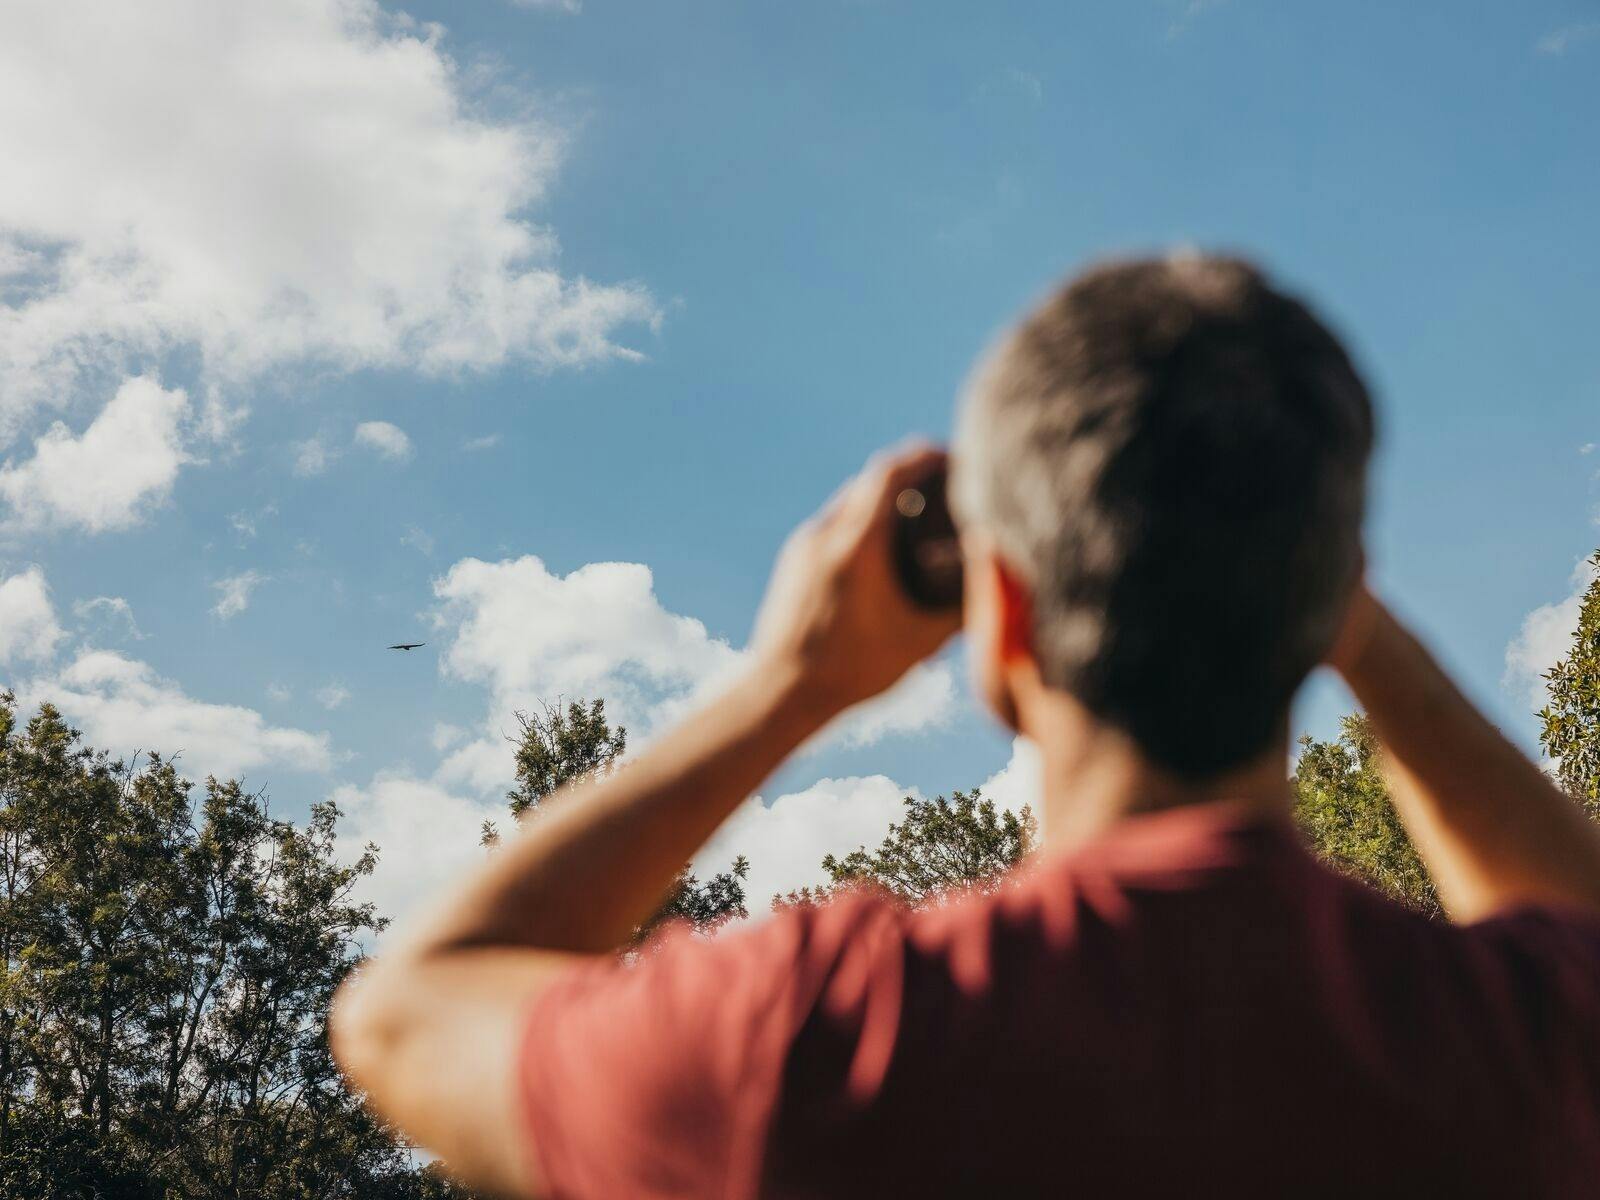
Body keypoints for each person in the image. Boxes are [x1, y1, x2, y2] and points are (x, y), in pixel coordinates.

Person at [330, 255, 1600, 1198]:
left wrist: (789, 686)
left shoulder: (814, 1038)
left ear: (1000, 607)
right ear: (1324, 593)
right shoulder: (1517, 1048)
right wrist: (1353, 621)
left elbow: (404, 1012)